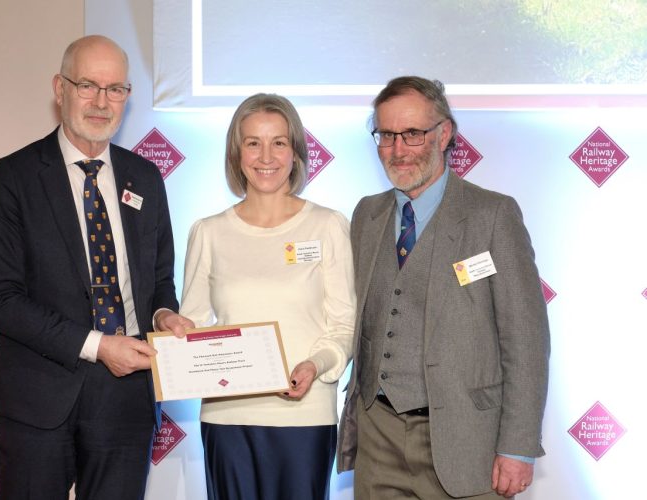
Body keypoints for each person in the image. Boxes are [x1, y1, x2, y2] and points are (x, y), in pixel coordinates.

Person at [0, 35, 192, 499]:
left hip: (126, 397)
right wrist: (97, 345)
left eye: (115, 89)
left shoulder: (145, 177)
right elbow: (0, 300)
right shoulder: (14, 176)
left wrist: (163, 316)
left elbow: (158, 280)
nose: (101, 102)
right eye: (88, 85)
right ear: (60, 87)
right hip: (37, 398)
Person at [336, 76, 550, 499]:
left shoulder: (493, 215)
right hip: (377, 437)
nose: (398, 149)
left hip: (466, 440)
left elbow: (525, 340)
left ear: (444, 133)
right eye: (386, 135)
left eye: (413, 133)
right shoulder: (367, 215)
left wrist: (518, 447)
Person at [179, 93, 356, 500]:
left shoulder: (328, 226)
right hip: (227, 418)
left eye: (279, 142)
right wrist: (169, 329)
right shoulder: (208, 232)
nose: (266, 156)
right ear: (236, 153)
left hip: (305, 416)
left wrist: (316, 364)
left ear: (295, 152)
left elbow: (344, 325)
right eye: (253, 142)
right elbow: (192, 327)